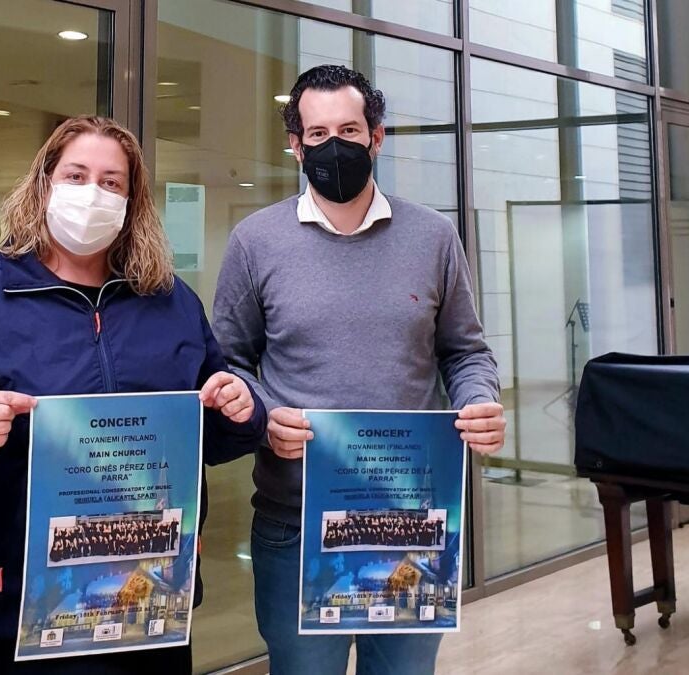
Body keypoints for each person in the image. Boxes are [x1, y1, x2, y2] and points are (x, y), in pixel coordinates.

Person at [0, 116, 266, 674]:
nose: (92, 193)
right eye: (76, 176)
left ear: (131, 201)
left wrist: (241, 411)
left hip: (147, 603)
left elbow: (211, 428)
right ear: (44, 183)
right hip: (14, 610)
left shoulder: (170, 302)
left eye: (111, 182)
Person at [212, 65, 507, 675]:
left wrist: (477, 398)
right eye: (317, 134)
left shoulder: (433, 236)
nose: (334, 145)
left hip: (412, 517)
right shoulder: (254, 241)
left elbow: (465, 351)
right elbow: (229, 361)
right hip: (295, 520)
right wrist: (263, 416)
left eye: (348, 130)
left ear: (376, 136)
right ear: (295, 145)